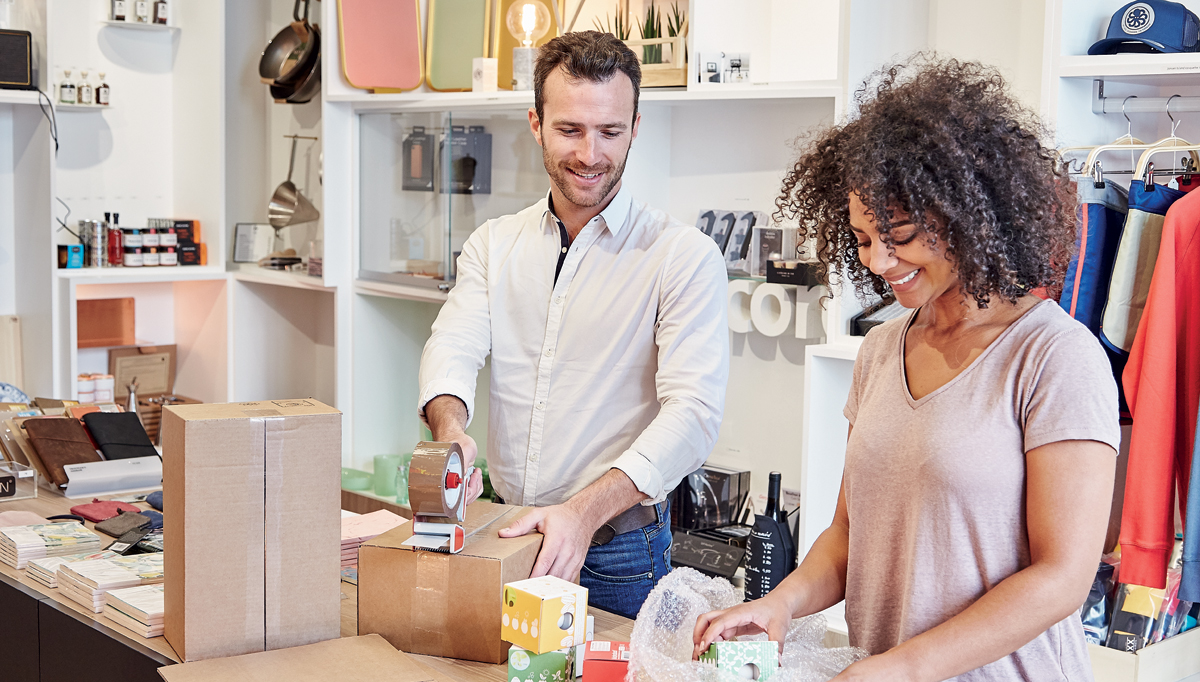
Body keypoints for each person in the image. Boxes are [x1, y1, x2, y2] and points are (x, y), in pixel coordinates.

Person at [693, 58, 1120, 680]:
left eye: (899, 234)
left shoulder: (1054, 357)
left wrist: (902, 669)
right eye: (864, 239)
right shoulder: (879, 351)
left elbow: (1061, 578)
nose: (881, 262)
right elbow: (848, 535)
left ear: (970, 212)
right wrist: (779, 605)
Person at [417, 31, 728, 619]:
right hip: (507, 530)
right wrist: (450, 428)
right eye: (570, 130)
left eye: (610, 132)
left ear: (635, 128)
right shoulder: (494, 244)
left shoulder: (681, 255)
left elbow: (694, 414)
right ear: (535, 124)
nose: (590, 154)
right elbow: (453, 343)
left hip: (617, 552)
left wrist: (582, 513)